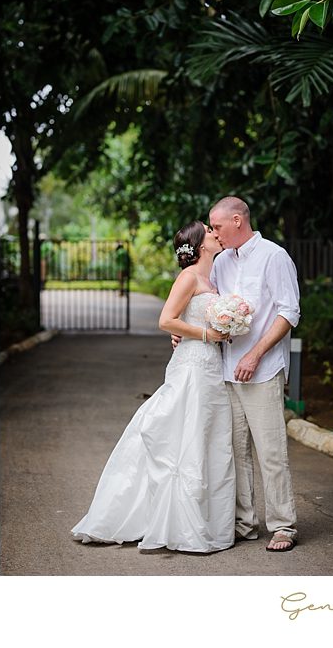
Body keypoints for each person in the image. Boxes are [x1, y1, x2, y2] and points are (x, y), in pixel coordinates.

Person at [72, 221, 235, 553]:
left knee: (207, 438)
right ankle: (173, 522)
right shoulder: (189, 277)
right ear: (201, 245)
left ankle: (207, 521)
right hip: (191, 365)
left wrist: (226, 326)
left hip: (211, 367)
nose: (216, 233)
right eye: (209, 230)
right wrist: (206, 334)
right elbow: (166, 320)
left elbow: (189, 319)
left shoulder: (211, 279)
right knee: (180, 436)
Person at [208, 196, 301, 552]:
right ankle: (245, 523)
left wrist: (255, 354)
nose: (214, 234)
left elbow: (289, 312)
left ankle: (283, 526)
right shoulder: (220, 262)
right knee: (236, 451)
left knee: (271, 451)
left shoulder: (274, 257)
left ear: (237, 220)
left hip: (262, 370)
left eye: (217, 227)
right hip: (226, 369)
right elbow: (208, 301)